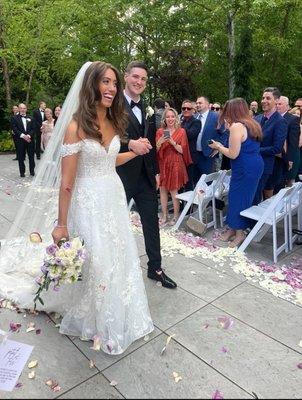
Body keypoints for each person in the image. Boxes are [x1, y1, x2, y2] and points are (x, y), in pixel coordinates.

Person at [0, 61, 154, 355]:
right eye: (105, 82)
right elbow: (67, 181)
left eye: (114, 83)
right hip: (88, 201)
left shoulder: (111, 120)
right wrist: (61, 224)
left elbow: (108, 162)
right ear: (91, 86)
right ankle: (94, 316)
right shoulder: (75, 127)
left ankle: (115, 306)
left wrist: (131, 152)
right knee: (97, 261)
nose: (111, 89)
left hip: (112, 197)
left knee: (116, 255)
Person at [116, 60, 177, 289]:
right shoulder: (113, 103)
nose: (139, 82)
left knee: (151, 222)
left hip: (146, 177)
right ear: (126, 76)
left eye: (143, 79)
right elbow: (104, 136)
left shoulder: (148, 108)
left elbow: (151, 142)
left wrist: (158, 171)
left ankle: (156, 268)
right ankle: (113, 268)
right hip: (119, 175)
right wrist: (129, 143)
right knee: (113, 223)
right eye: (135, 77)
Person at [209, 98, 264, 247]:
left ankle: (240, 233)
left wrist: (219, 147)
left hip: (245, 167)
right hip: (254, 164)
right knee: (238, 197)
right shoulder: (252, 123)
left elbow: (233, 154)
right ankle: (233, 228)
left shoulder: (237, 126)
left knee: (239, 199)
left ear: (232, 110)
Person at [156, 107, 192, 226]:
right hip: (163, 162)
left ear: (176, 118)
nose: (170, 119)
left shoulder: (181, 131)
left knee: (173, 191)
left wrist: (172, 142)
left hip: (176, 163)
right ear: (164, 119)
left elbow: (183, 150)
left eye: (172, 116)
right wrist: (160, 142)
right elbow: (155, 149)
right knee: (162, 189)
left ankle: (176, 216)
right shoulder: (160, 131)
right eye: (167, 117)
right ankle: (164, 215)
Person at [253, 87, 287, 204]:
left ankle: (255, 222)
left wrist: (256, 150)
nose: (264, 100)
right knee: (252, 196)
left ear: (276, 101)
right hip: (251, 164)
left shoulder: (280, 121)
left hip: (265, 166)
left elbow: (277, 148)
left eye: (268, 98)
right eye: (263, 98)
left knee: (256, 197)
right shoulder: (257, 118)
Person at [276, 96, 300, 187]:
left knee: (280, 183)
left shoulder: (293, 119)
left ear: (287, 106)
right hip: (273, 157)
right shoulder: (273, 117)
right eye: (276, 104)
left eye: (280, 104)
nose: (277, 106)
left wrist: (289, 159)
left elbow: (293, 142)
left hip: (284, 158)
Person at [195, 96, 221, 175]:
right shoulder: (194, 116)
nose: (197, 105)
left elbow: (225, 133)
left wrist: (219, 147)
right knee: (195, 183)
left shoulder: (215, 116)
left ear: (207, 104)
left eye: (200, 103)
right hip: (194, 155)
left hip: (208, 155)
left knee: (207, 183)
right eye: (196, 103)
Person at [180, 99, 201, 189]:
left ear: (193, 110)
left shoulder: (196, 122)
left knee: (188, 182)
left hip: (190, 157)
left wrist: (178, 129)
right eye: (183, 108)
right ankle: (180, 202)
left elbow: (191, 135)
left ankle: (189, 202)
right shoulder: (181, 122)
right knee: (180, 181)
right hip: (179, 155)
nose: (185, 110)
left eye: (188, 108)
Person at [11, 103, 35, 177]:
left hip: (30, 140)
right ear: (18, 109)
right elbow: (14, 129)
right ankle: (22, 172)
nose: (23, 110)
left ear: (26, 109)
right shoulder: (14, 118)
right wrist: (23, 136)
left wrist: (28, 136)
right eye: (21, 108)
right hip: (20, 140)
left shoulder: (31, 118)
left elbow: (33, 129)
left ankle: (32, 171)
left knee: (31, 156)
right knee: (21, 157)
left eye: (24, 108)